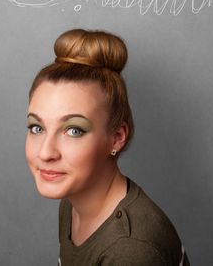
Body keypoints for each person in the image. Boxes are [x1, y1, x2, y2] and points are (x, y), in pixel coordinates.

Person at [25, 29, 190, 265]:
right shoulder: (73, 198)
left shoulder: (130, 250)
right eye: (37, 128)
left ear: (117, 138)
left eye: (74, 130)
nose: (45, 152)